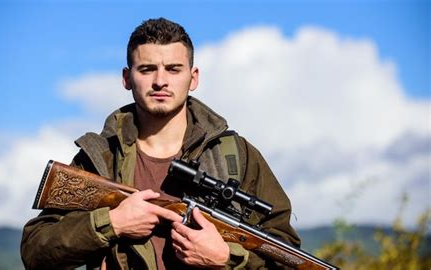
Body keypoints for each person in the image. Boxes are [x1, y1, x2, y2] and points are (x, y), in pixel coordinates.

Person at [21, 17, 300, 269]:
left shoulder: (237, 155)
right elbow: (35, 250)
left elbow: (287, 257)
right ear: (127, 78)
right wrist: (112, 223)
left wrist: (227, 258)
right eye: (147, 69)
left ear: (193, 78)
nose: (160, 81)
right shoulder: (101, 157)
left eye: (173, 69)